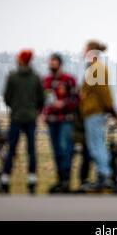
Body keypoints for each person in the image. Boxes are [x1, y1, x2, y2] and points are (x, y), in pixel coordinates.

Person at [79, 41, 117, 192]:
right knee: (97, 146)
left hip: (95, 113)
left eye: (85, 49)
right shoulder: (94, 68)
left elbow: (104, 93)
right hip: (92, 113)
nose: (83, 52)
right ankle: (103, 175)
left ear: (92, 51)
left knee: (97, 146)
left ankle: (105, 175)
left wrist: (113, 113)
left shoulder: (97, 69)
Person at [0, 50, 44, 194]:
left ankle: (5, 178)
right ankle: (32, 179)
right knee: (31, 150)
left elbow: (6, 98)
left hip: (16, 118)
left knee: (12, 149)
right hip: (31, 118)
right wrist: (34, 109)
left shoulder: (12, 77)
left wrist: (14, 107)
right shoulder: (36, 78)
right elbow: (41, 99)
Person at [43, 53, 79, 193]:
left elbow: (76, 100)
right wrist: (43, 113)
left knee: (65, 149)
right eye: (50, 64)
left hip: (66, 120)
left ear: (60, 64)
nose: (52, 66)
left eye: (54, 63)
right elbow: (43, 101)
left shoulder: (69, 80)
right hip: (52, 121)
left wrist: (64, 104)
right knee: (56, 151)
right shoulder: (46, 81)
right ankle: (60, 180)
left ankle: (66, 181)